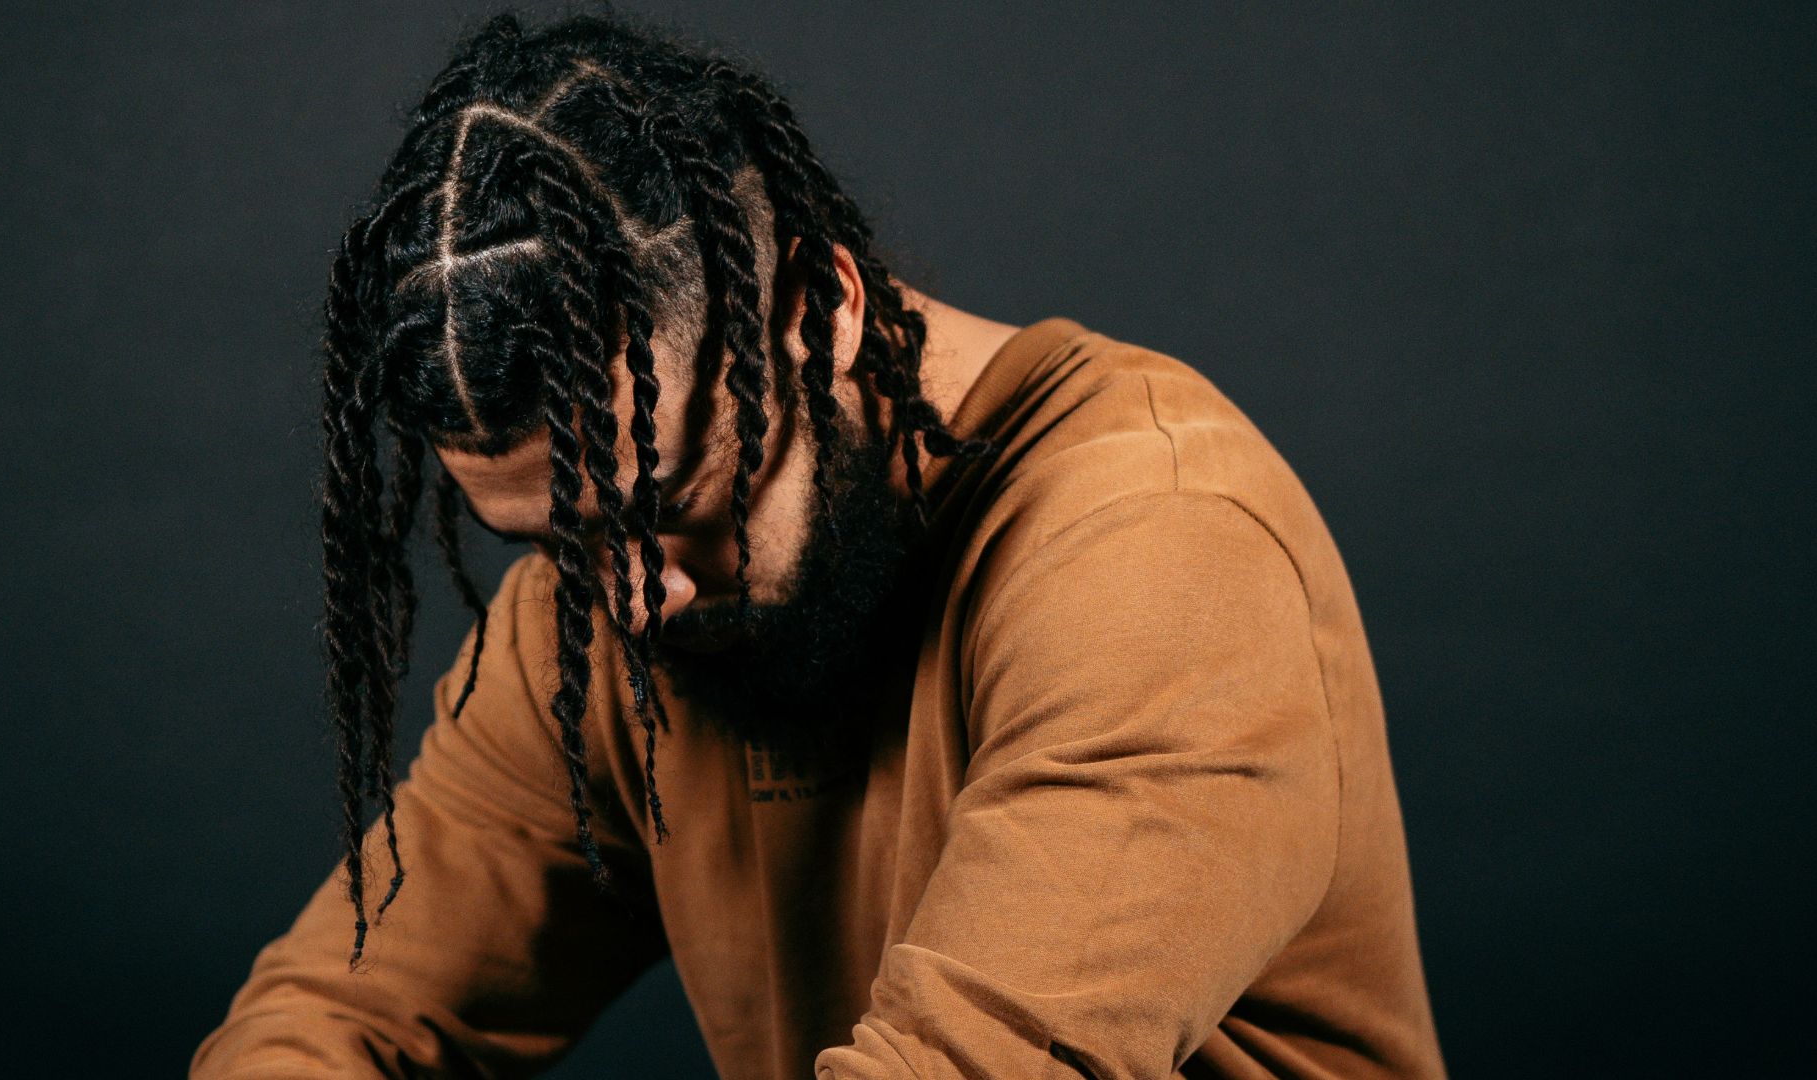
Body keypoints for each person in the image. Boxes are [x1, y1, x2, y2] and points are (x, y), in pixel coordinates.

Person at [191, 10, 1446, 1079]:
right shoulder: (614, 604)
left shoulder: (1161, 550)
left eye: (665, 499)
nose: (627, 594)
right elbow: (333, 1017)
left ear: (819, 311)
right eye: (555, 543)